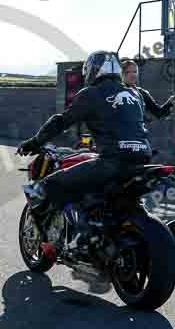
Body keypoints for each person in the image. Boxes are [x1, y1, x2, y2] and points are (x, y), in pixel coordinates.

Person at [18, 51, 153, 252]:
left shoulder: (90, 94)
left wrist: (35, 141)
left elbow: (61, 121)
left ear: (92, 71)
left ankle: (81, 233)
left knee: (50, 184)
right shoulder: (135, 95)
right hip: (142, 160)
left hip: (111, 162)